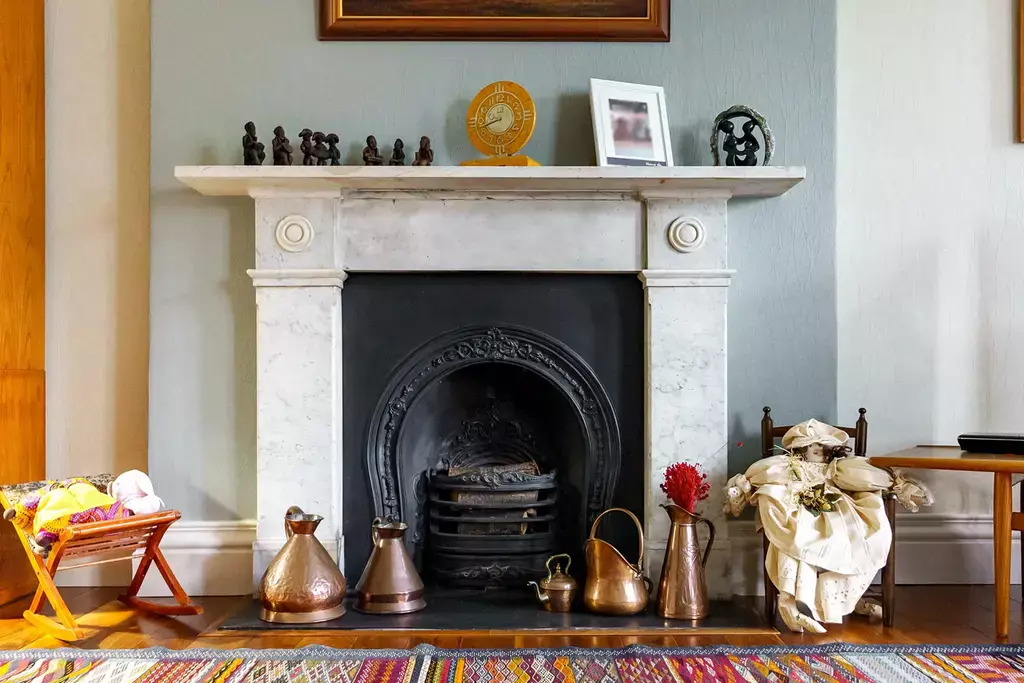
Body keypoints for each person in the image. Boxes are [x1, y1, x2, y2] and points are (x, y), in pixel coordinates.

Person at [724, 419, 931, 633]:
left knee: (856, 534)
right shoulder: (788, 465)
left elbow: (865, 475)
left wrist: (896, 483)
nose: (817, 450)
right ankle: (791, 603)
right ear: (801, 448)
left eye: (822, 446)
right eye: (811, 445)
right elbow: (763, 473)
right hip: (798, 506)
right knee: (796, 534)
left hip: (837, 506)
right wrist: (744, 488)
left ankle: (834, 602)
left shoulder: (838, 468)